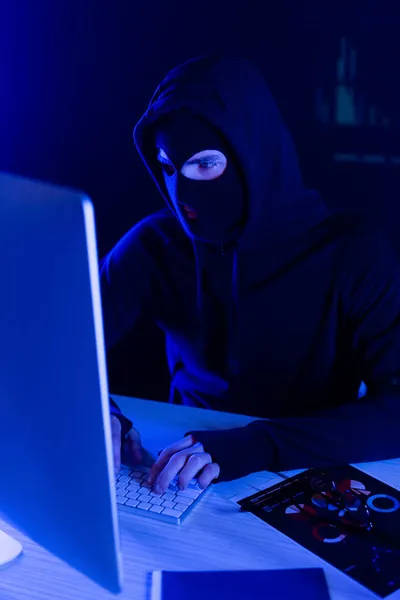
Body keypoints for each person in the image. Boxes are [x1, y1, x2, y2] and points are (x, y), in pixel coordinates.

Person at [102, 55, 400, 496]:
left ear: (252, 156)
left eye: (205, 164)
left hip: (311, 474)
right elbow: (52, 353)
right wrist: (100, 413)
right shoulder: (155, 246)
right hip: (178, 470)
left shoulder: (352, 252)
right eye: (168, 167)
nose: (182, 192)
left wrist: (257, 445)